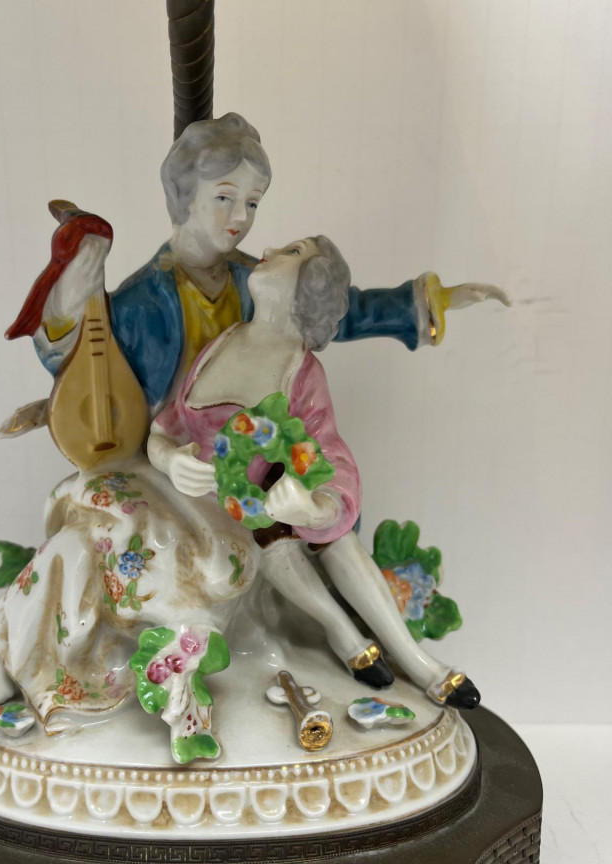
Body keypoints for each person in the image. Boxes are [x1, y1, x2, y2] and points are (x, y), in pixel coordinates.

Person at [147, 235, 479, 709]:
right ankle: (343, 633)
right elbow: (166, 426)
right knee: (266, 536)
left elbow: (327, 451)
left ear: (312, 283)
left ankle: (419, 662)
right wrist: (169, 460)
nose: (270, 249)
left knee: (321, 533)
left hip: (256, 502)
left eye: (293, 251)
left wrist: (312, 507)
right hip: (194, 503)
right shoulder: (221, 343)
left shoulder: (300, 372)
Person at [30, 113, 507, 413]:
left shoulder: (253, 280)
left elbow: (334, 311)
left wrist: (427, 302)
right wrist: (66, 307)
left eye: (253, 203)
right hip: (170, 459)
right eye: (225, 197)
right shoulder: (143, 301)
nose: (241, 217)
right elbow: (82, 367)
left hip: (252, 446)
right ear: (184, 195)